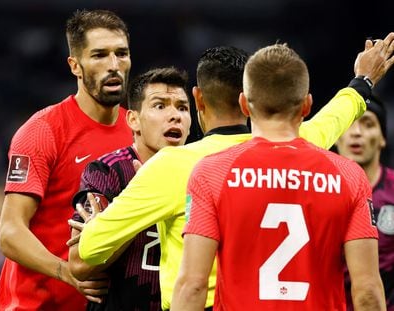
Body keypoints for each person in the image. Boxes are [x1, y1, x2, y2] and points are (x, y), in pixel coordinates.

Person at [78, 33, 394, 310]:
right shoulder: (306, 145)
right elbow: (334, 117)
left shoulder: (177, 166)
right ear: (304, 106)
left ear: (198, 99)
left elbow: (90, 250)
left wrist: (97, 225)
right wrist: (362, 81)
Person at [171, 42, 387, 311]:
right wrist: (363, 81)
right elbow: (366, 290)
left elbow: (192, 285)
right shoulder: (348, 176)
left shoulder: (212, 173)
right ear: (307, 105)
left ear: (244, 104)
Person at [0, 9, 133, 310]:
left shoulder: (138, 132)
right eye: (99, 55)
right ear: (75, 65)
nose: (114, 65)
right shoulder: (42, 131)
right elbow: (9, 232)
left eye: (121, 53)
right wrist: (66, 272)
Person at [68, 67, 192, 311]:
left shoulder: (201, 170)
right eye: (160, 106)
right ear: (133, 120)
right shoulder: (107, 171)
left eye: (182, 107)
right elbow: (80, 264)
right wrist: (135, 201)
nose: (175, 115)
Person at [335, 95, 394, 310]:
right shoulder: (316, 192)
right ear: (336, 137)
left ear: (382, 138)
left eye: (367, 123)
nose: (356, 132)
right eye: (349, 124)